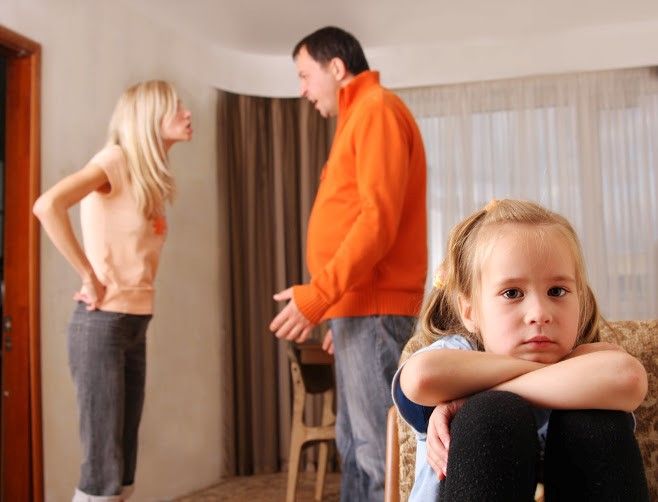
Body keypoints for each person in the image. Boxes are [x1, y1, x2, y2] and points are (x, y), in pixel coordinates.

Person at [393, 199, 650, 501]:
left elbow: (628, 378)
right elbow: (421, 378)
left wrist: (475, 395)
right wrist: (546, 376)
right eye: (512, 293)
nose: (539, 313)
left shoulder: (590, 364)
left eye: (557, 291)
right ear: (469, 311)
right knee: (493, 412)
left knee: (596, 420)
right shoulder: (458, 355)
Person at [269, 26, 427, 500]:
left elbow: (376, 222)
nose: (301, 90)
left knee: (381, 461)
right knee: (356, 453)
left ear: (336, 68)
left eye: (304, 75)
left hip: (372, 308)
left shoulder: (375, 110)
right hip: (357, 311)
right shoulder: (357, 118)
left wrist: (319, 297)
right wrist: (339, 314)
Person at [33, 80, 192, 502]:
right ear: (149, 117)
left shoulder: (148, 176)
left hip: (134, 324)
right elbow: (47, 205)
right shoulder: (115, 160)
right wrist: (88, 274)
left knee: (123, 467)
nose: (187, 113)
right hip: (102, 325)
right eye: (176, 107)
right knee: (103, 467)